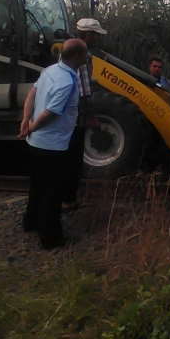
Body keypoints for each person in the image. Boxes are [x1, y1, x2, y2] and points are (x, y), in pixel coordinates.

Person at [18, 38, 88, 250]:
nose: (87, 57)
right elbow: (51, 114)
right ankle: (50, 237)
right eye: (85, 54)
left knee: (37, 185)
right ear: (77, 57)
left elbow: (32, 93)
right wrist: (32, 126)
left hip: (36, 143)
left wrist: (25, 120)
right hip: (53, 145)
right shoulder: (68, 81)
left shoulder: (50, 71)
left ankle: (30, 222)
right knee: (52, 192)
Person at [62, 18, 107, 211]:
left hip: (69, 120)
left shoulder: (70, 53)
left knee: (69, 161)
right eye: (96, 35)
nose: (98, 39)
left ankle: (67, 198)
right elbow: (81, 95)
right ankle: (68, 200)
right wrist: (93, 119)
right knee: (72, 162)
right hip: (75, 120)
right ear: (87, 35)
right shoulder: (81, 59)